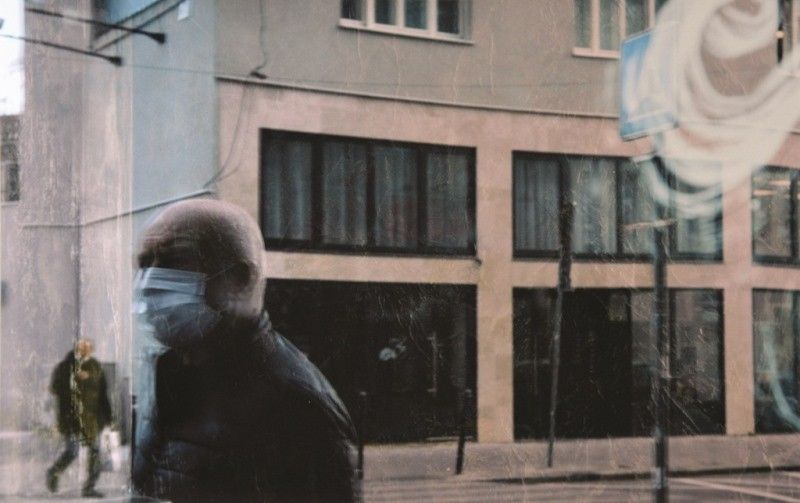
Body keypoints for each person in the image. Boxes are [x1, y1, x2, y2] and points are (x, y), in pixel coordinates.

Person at [131, 199, 360, 502]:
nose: (148, 283)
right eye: (144, 263)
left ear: (240, 280)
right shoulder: (168, 375)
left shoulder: (298, 406)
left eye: (175, 261)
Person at [46, 338, 112, 498]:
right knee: (73, 451)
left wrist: (109, 417)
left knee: (95, 452)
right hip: (72, 418)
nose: (83, 351)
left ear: (91, 350)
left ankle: (89, 487)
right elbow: (54, 388)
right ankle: (53, 472)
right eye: (80, 348)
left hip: (92, 419)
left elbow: (103, 394)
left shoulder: (96, 367)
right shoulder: (64, 366)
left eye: (86, 348)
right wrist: (72, 377)